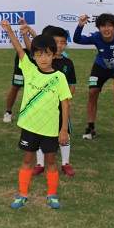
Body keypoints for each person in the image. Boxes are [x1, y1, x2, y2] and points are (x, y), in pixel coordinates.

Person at [1, 20, 71, 210]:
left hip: (50, 129)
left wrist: (64, 129)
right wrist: (9, 31)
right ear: (34, 56)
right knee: (27, 159)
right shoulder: (29, 69)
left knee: (50, 160)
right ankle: (22, 194)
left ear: (54, 54)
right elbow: (19, 49)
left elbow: (65, 103)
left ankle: (52, 194)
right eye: (39, 55)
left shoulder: (59, 77)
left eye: (47, 54)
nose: (43, 59)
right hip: (29, 126)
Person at [21, 23, 77, 177]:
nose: (59, 46)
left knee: (64, 132)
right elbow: (33, 46)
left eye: (62, 42)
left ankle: (65, 162)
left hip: (60, 105)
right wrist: (27, 33)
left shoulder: (67, 63)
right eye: (56, 42)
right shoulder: (43, 59)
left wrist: (66, 98)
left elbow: (72, 83)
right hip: (44, 106)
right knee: (41, 132)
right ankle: (40, 163)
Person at [73, 13, 114, 140]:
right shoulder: (96, 36)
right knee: (92, 92)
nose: (106, 29)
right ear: (98, 28)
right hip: (101, 66)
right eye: (103, 26)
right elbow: (77, 39)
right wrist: (80, 25)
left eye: (109, 26)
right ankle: (91, 127)